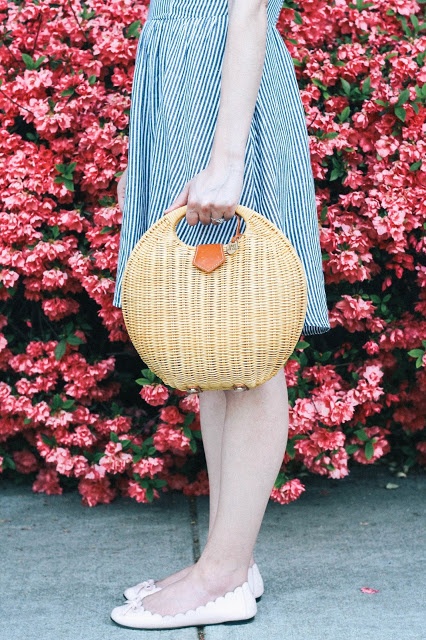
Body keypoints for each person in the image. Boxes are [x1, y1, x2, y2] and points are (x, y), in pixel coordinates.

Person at [111, 0, 330, 630]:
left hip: (227, 106)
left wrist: (229, 158)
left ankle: (225, 575)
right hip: (182, 99)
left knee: (252, 338)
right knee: (216, 342)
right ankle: (230, 557)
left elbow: (247, 13)